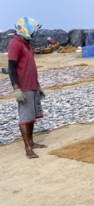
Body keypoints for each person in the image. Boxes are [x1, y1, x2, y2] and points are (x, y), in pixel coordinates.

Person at [7, 17, 46, 159]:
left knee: (32, 117)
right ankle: (27, 148)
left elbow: (31, 67)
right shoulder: (15, 44)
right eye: (32, 30)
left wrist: (38, 85)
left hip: (33, 85)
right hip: (23, 87)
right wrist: (16, 88)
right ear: (25, 30)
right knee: (25, 117)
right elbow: (11, 67)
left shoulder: (27, 43)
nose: (34, 33)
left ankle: (31, 141)